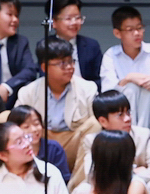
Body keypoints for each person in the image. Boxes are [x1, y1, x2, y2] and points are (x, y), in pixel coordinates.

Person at [14, 36, 98, 169]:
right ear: (44, 67)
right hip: (40, 142)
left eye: (71, 62)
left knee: (96, 123)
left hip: (74, 141)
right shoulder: (28, 92)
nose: (70, 68)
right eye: (62, 63)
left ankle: (76, 185)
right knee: (6, 120)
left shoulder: (87, 88)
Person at [99, 5, 150, 124]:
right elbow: (108, 90)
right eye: (130, 30)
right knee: (130, 88)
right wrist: (128, 79)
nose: (137, 33)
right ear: (117, 33)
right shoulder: (111, 55)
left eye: (140, 28)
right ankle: (134, 132)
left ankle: (142, 133)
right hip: (122, 109)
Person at [45, 0, 105, 90]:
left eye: (77, 18)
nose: (74, 23)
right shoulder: (46, 46)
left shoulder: (91, 45)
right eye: (68, 18)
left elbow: (100, 80)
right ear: (53, 22)